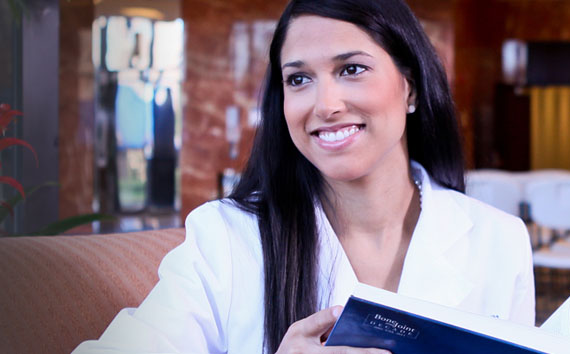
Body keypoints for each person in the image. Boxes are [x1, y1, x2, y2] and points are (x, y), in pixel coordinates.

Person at [73, 0, 535, 353]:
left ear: (409, 87)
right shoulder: (227, 237)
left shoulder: (499, 240)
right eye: (298, 79)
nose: (325, 104)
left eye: (351, 69)